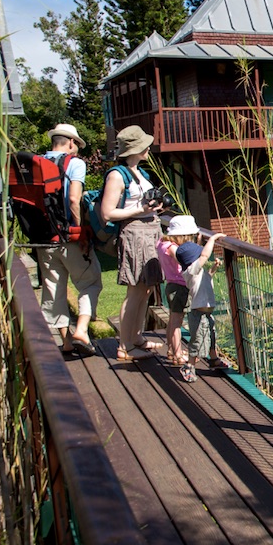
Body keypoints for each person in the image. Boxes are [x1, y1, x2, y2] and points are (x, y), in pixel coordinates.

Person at [101, 126, 166, 361]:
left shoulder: (140, 172)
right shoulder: (118, 175)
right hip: (135, 234)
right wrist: (141, 209)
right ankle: (125, 346)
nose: (149, 147)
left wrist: (157, 208)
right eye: (145, 144)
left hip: (151, 232)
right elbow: (107, 213)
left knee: (147, 288)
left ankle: (136, 337)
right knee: (135, 290)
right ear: (136, 148)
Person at [39, 124, 102, 356]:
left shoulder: (36, 162)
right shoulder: (74, 163)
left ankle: (66, 341)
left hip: (43, 240)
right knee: (90, 282)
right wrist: (78, 232)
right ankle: (82, 331)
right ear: (71, 143)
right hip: (68, 237)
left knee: (54, 290)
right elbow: (74, 200)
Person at [175, 232, 227, 383]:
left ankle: (214, 359)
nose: (202, 257)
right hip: (198, 314)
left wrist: (214, 267)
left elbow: (207, 277)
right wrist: (212, 239)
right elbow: (204, 256)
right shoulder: (190, 271)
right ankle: (189, 366)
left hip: (206, 313)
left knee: (212, 336)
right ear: (193, 260)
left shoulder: (197, 272)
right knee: (197, 341)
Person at [157, 215, 197, 366]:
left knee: (173, 319)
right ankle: (178, 355)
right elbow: (184, 261)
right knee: (177, 322)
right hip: (180, 286)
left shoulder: (162, 244)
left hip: (171, 284)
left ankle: (171, 350)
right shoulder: (173, 248)